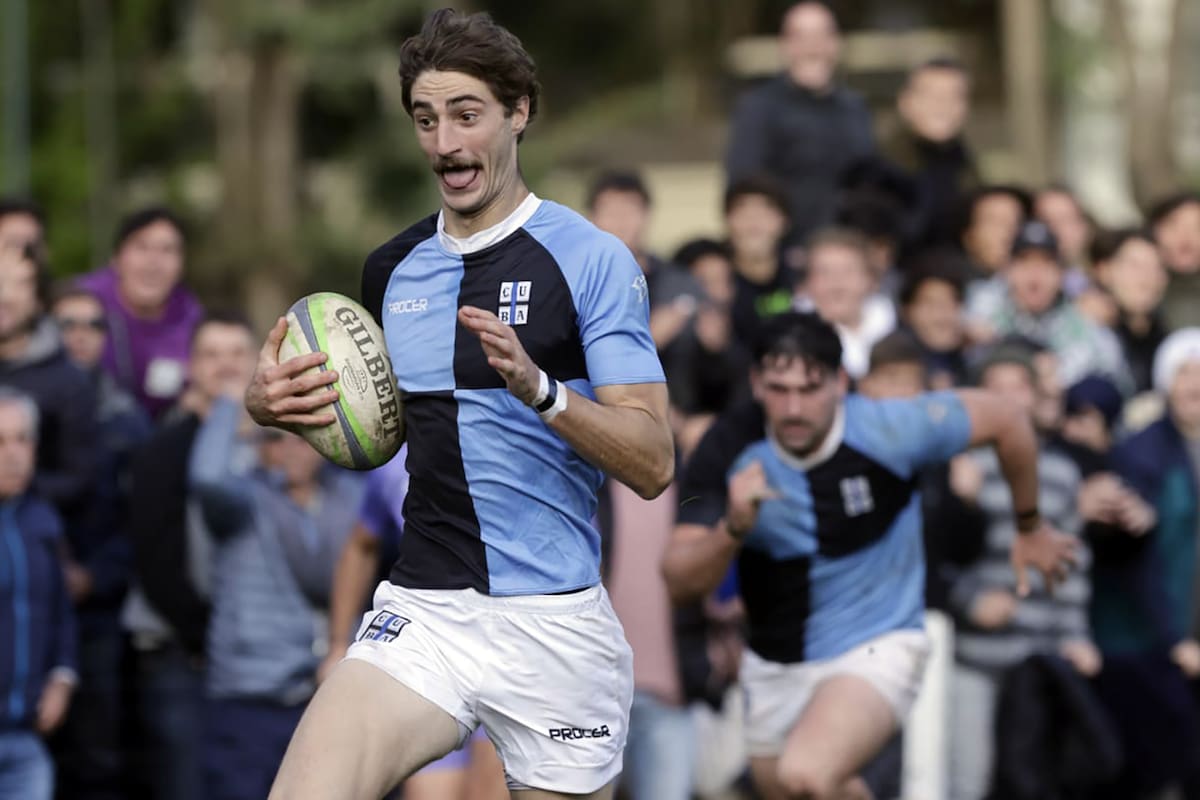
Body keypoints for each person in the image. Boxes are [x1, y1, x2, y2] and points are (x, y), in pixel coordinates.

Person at [246, 10, 673, 800]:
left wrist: (541, 392)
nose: (444, 143)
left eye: (466, 115)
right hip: (427, 611)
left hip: (555, 624)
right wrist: (272, 405)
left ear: (519, 113)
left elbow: (653, 463)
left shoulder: (591, 261)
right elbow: (380, 436)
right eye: (425, 119)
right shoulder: (391, 269)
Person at [659, 311, 1077, 800]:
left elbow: (1007, 418)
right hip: (775, 657)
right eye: (778, 388)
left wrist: (1029, 524)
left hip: (879, 641)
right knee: (796, 788)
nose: (793, 407)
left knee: (806, 775)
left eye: (809, 388)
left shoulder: (890, 428)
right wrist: (731, 529)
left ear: (840, 382)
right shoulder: (728, 447)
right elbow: (678, 580)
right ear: (755, 382)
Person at [190, 398, 364, 800]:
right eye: (274, 439)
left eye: (305, 438)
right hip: (248, 702)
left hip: (322, 701)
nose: (289, 449)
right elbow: (206, 477)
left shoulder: (348, 500)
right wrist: (232, 402)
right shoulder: (243, 502)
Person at [121, 311, 258, 800]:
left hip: (255, 668)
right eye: (212, 354)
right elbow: (155, 560)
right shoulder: (163, 448)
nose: (225, 366)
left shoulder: (278, 447)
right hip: (182, 658)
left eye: (237, 353)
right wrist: (205, 638)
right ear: (191, 366)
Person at [320, 454, 508, 800]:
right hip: (432, 654)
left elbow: (581, 556)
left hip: (508, 652)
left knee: (488, 790)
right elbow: (362, 545)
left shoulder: (516, 445)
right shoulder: (396, 465)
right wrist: (335, 644)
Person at [49, 285, 152, 800]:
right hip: (26, 606)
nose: (80, 336)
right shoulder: (19, 406)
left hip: (101, 612)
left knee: (99, 757)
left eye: (92, 325)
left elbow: (141, 525)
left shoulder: (126, 421)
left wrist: (94, 576)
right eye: (67, 323)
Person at [725, 2, 874, 244]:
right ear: (785, 45)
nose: (812, 47)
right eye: (800, 36)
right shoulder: (759, 108)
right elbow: (743, 190)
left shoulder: (855, 108)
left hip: (848, 254)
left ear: (836, 43)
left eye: (821, 35)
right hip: (788, 254)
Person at [0, 388, 77, 800]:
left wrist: (62, 678)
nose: (13, 454)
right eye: (0, 441)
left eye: (22, 439)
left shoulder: (41, 520)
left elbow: (59, 610)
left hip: (26, 739)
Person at [78, 207, 204, 420]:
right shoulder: (84, 302)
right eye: (141, 247)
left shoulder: (190, 315)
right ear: (116, 259)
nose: (153, 263)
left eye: (167, 250)